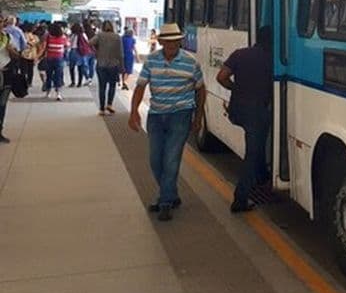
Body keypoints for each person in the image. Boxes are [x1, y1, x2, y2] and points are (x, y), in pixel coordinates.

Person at [128, 23, 205, 222]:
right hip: (156, 115)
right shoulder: (152, 61)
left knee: (171, 159)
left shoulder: (190, 62)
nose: (171, 44)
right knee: (155, 159)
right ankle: (171, 194)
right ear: (161, 42)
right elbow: (140, 86)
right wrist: (133, 111)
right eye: (167, 41)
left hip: (181, 114)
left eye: (175, 41)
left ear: (180, 41)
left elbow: (200, 89)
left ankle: (164, 202)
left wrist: (198, 117)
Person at [216, 25, 273, 213]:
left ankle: (262, 178)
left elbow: (221, 77)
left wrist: (235, 89)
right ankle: (240, 199)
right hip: (257, 112)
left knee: (256, 149)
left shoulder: (240, 54)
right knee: (253, 154)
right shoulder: (272, 60)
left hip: (238, 110)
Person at [90, 21, 123, 116]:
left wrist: (97, 49)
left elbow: (90, 42)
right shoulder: (117, 37)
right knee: (112, 86)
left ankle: (101, 109)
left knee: (102, 87)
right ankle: (109, 104)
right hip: (113, 65)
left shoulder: (99, 35)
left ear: (103, 27)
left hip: (101, 65)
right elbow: (121, 54)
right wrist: (122, 67)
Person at [0, 29, 19, 143]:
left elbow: (17, 55)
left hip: (6, 74)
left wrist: (11, 50)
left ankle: (0, 131)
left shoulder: (7, 37)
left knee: (2, 104)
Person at [43, 22, 68, 100]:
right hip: (59, 58)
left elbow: (45, 46)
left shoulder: (48, 36)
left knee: (49, 75)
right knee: (58, 76)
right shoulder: (63, 37)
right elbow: (67, 45)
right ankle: (58, 94)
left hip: (49, 57)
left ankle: (48, 92)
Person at [19, 22, 39, 87]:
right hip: (32, 55)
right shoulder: (35, 37)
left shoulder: (22, 35)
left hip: (23, 54)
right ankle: (29, 82)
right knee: (30, 69)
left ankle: (23, 82)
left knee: (23, 69)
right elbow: (37, 44)